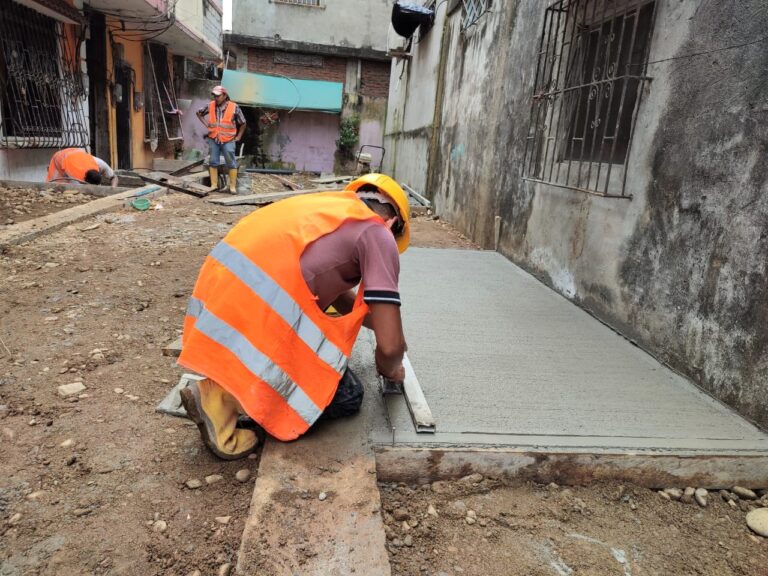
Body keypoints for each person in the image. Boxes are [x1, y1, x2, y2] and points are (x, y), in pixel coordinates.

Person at [178, 173, 410, 459]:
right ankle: (222, 401)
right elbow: (389, 350)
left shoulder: (325, 210)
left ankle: (221, 385)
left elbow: (333, 290)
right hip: (257, 315)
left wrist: (385, 326)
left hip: (223, 307)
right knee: (348, 395)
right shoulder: (377, 233)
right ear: (393, 223)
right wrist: (393, 364)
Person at [196, 85, 246, 194]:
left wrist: (239, 137)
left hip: (228, 139)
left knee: (231, 163)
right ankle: (214, 185)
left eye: (218, 96)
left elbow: (243, 123)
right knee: (213, 162)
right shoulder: (210, 105)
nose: (215, 98)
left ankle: (232, 187)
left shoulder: (234, 107)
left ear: (224, 96)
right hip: (214, 138)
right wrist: (207, 124)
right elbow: (198, 113)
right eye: (214, 95)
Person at [46, 148, 118, 187]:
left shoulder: (100, 164)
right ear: (84, 180)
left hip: (76, 152)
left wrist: (113, 188)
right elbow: (78, 189)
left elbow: (114, 177)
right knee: (57, 186)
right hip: (60, 157)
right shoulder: (74, 174)